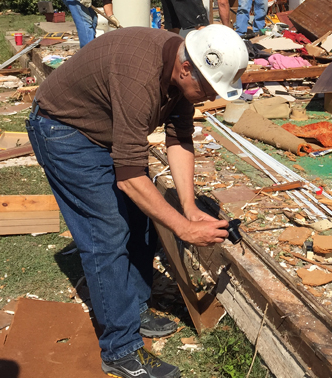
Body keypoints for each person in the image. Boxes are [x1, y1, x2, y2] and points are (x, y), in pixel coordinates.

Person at [26, 25, 248, 378]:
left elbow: (179, 138)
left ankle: (134, 306)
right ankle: (121, 349)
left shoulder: (180, 78)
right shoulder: (139, 78)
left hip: (104, 129)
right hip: (64, 129)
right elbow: (130, 179)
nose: (206, 98)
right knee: (107, 233)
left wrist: (189, 209)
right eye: (206, 88)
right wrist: (184, 229)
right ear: (186, 68)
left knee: (141, 220)